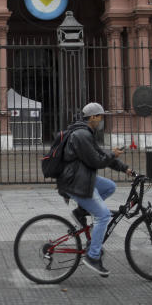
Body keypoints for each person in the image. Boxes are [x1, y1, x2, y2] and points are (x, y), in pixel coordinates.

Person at [56, 101, 133, 277]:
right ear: (92, 117)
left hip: (82, 176)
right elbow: (97, 161)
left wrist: (125, 168)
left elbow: (99, 154)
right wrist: (112, 153)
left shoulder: (87, 132)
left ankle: (81, 212)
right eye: (100, 116)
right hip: (75, 181)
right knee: (103, 215)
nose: (101, 120)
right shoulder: (82, 134)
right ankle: (92, 256)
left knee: (110, 187)